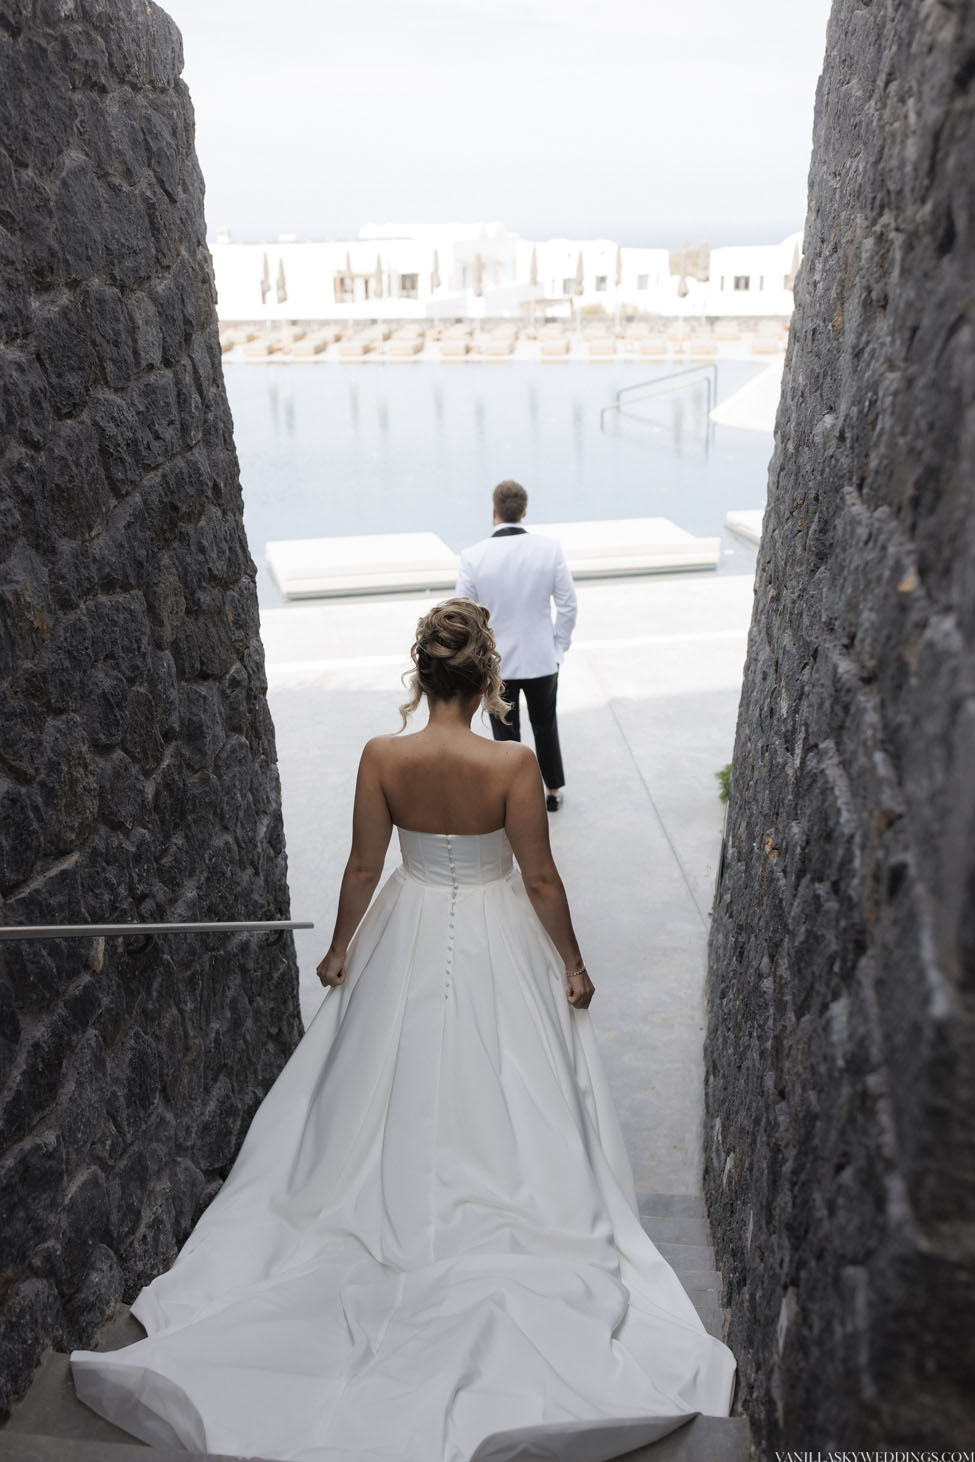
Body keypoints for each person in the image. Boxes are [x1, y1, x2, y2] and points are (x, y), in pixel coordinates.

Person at [71, 599, 734, 1462]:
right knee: (510, 1083)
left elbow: (360, 863)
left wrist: (343, 947)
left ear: (419, 674)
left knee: (377, 1086)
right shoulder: (514, 764)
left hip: (405, 925)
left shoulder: (383, 756)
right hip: (496, 932)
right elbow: (538, 879)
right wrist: (570, 963)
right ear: (487, 677)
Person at [456, 479, 576, 811]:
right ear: (523, 511)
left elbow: (463, 616)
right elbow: (568, 605)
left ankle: (514, 798)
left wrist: (475, 658)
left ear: (494, 511)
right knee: (545, 724)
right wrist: (558, 645)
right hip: (541, 658)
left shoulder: (472, 556)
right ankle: (551, 791)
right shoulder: (549, 549)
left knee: (505, 735)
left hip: (496, 663)